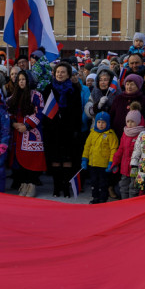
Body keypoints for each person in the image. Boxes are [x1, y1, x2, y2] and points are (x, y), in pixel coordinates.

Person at [40, 62, 85, 195]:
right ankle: (56, 187)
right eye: (58, 72)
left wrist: (75, 129)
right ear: (54, 73)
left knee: (67, 160)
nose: (60, 74)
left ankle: (66, 186)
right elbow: (45, 110)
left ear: (68, 75)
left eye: (63, 72)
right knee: (55, 159)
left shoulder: (74, 89)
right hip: (52, 130)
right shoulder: (48, 88)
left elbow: (78, 111)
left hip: (68, 130)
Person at [8, 70, 46, 196]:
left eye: (23, 79)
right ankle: (23, 183)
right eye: (19, 80)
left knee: (32, 160)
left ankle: (32, 184)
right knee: (19, 160)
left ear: (29, 80)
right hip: (17, 132)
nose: (21, 82)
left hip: (31, 132)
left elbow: (39, 112)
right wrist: (13, 123)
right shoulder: (14, 96)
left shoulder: (36, 95)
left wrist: (27, 125)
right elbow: (9, 113)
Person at [80, 110, 118, 203]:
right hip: (93, 163)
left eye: (103, 122)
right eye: (99, 122)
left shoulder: (110, 134)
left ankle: (102, 198)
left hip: (104, 165)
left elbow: (114, 149)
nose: (101, 124)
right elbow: (87, 146)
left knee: (103, 183)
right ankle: (95, 197)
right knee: (94, 182)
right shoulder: (92, 133)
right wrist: (84, 159)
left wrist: (111, 163)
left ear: (107, 123)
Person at [112, 110, 143, 199]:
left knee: (133, 187)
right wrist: (115, 161)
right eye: (128, 121)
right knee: (123, 185)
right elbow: (121, 149)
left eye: (132, 121)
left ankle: (131, 204)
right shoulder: (125, 133)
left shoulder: (141, 134)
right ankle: (124, 202)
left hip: (135, 167)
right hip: (125, 166)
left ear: (137, 122)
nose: (129, 124)